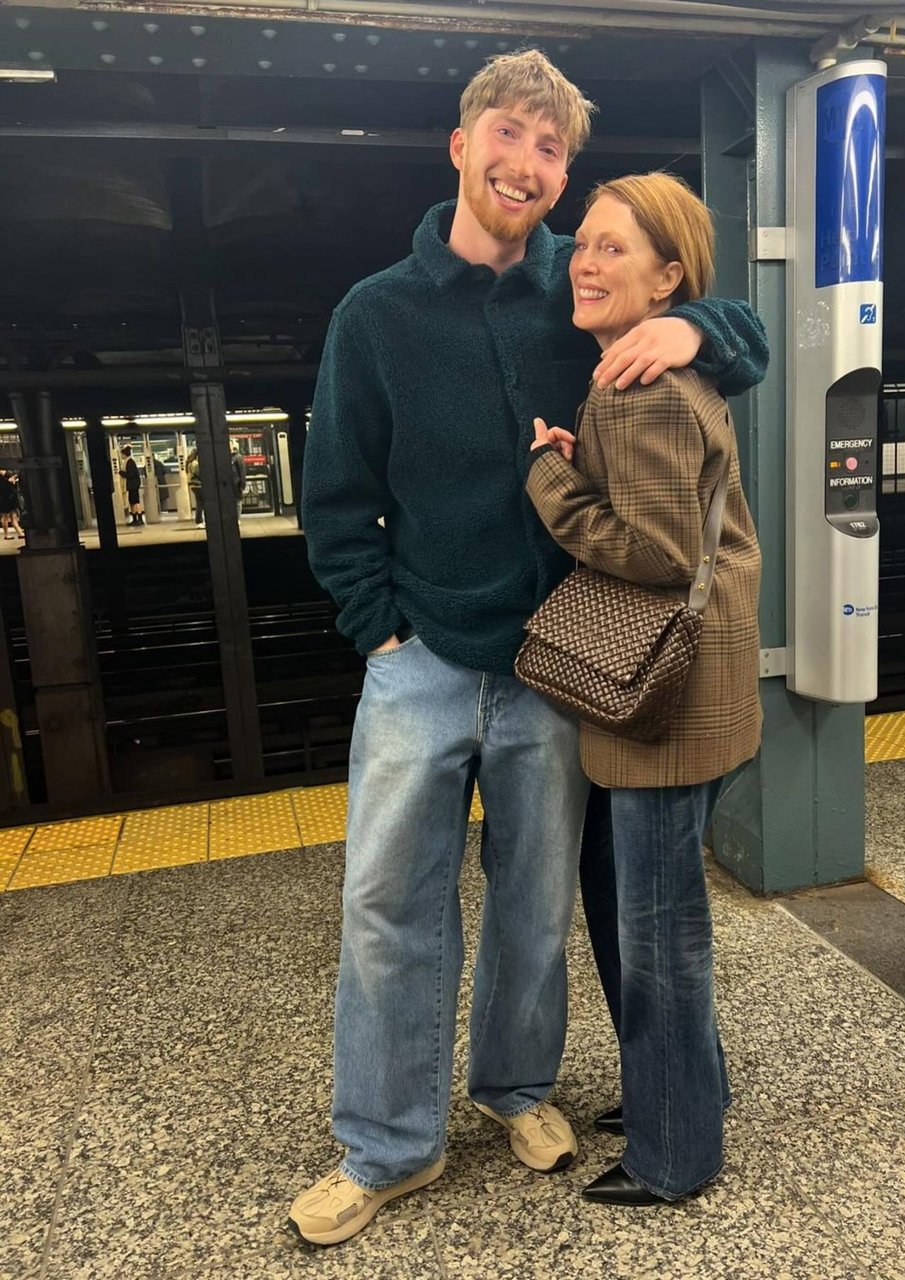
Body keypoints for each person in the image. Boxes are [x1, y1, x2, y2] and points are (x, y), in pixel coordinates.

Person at [293, 49, 767, 1248]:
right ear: (460, 145)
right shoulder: (374, 313)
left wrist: (695, 328)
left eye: (553, 147)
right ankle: (386, 1144)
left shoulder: (586, 285)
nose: (529, 162)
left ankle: (514, 1089)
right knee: (384, 903)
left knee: (533, 899)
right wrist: (377, 622)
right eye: (510, 133)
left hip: (561, 663)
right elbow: (337, 492)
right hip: (425, 655)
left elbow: (745, 334)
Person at [525, 171, 762, 1206]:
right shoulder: (668, 376)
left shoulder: (641, 387)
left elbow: (658, 555)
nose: (584, 259)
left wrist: (550, 481)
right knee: (655, 912)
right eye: (581, 242)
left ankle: (674, 1152)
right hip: (699, 688)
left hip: (655, 700)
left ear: (669, 278)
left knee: (660, 932)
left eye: (613, 247)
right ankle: (684, 1088)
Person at [119, 445, 144, 526]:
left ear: (124, 454)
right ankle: (135, 519)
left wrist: (121, 473)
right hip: (132, 485)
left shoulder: (129, 462)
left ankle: (139, 519)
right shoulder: (129, 461)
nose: (121, 456)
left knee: (135, 502)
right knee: (132, 502)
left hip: (133, 485)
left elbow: (130, 475)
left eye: (122, 454)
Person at [0, 467, 23, 540]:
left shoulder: (7, 472)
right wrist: (12, 476)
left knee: (14, 515)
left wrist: (13, 477)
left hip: (10, 494)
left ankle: (19, 532)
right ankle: (6, 534)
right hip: (3, 496)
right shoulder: (3, 474)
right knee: (6, 516)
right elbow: (5, 473)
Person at [185, 447, 204, 527]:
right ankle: (199, 521)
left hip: (193, 485)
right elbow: (199, 474)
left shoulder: (189, 462)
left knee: (200, 503)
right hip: (198, 485)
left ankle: (200, 521)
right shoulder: (195, 463)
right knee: (200, 504)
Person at [230, 443, 248, 518]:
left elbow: (242, 471)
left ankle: (237, 518)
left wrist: (242, 484)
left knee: (237, 501)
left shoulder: (238, 457)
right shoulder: (231, 457)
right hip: (232, 483)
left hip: (236, 483)